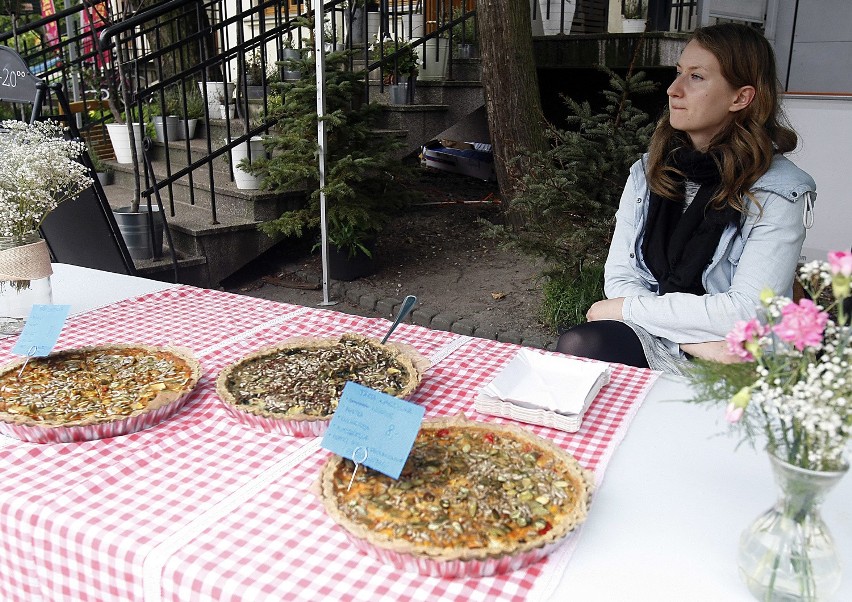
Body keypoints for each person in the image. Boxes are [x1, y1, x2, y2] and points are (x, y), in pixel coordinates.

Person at [556, 23, 816, 374]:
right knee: (582, 345)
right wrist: (690, 341)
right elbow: (620, 277)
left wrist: (627, 310)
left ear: (741, 97)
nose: (673, 89)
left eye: (696, 77)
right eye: (679, 73)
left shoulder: (780, 191)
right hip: (705, 344)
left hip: (739, 356)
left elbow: (746, 312)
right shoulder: (649, 172)